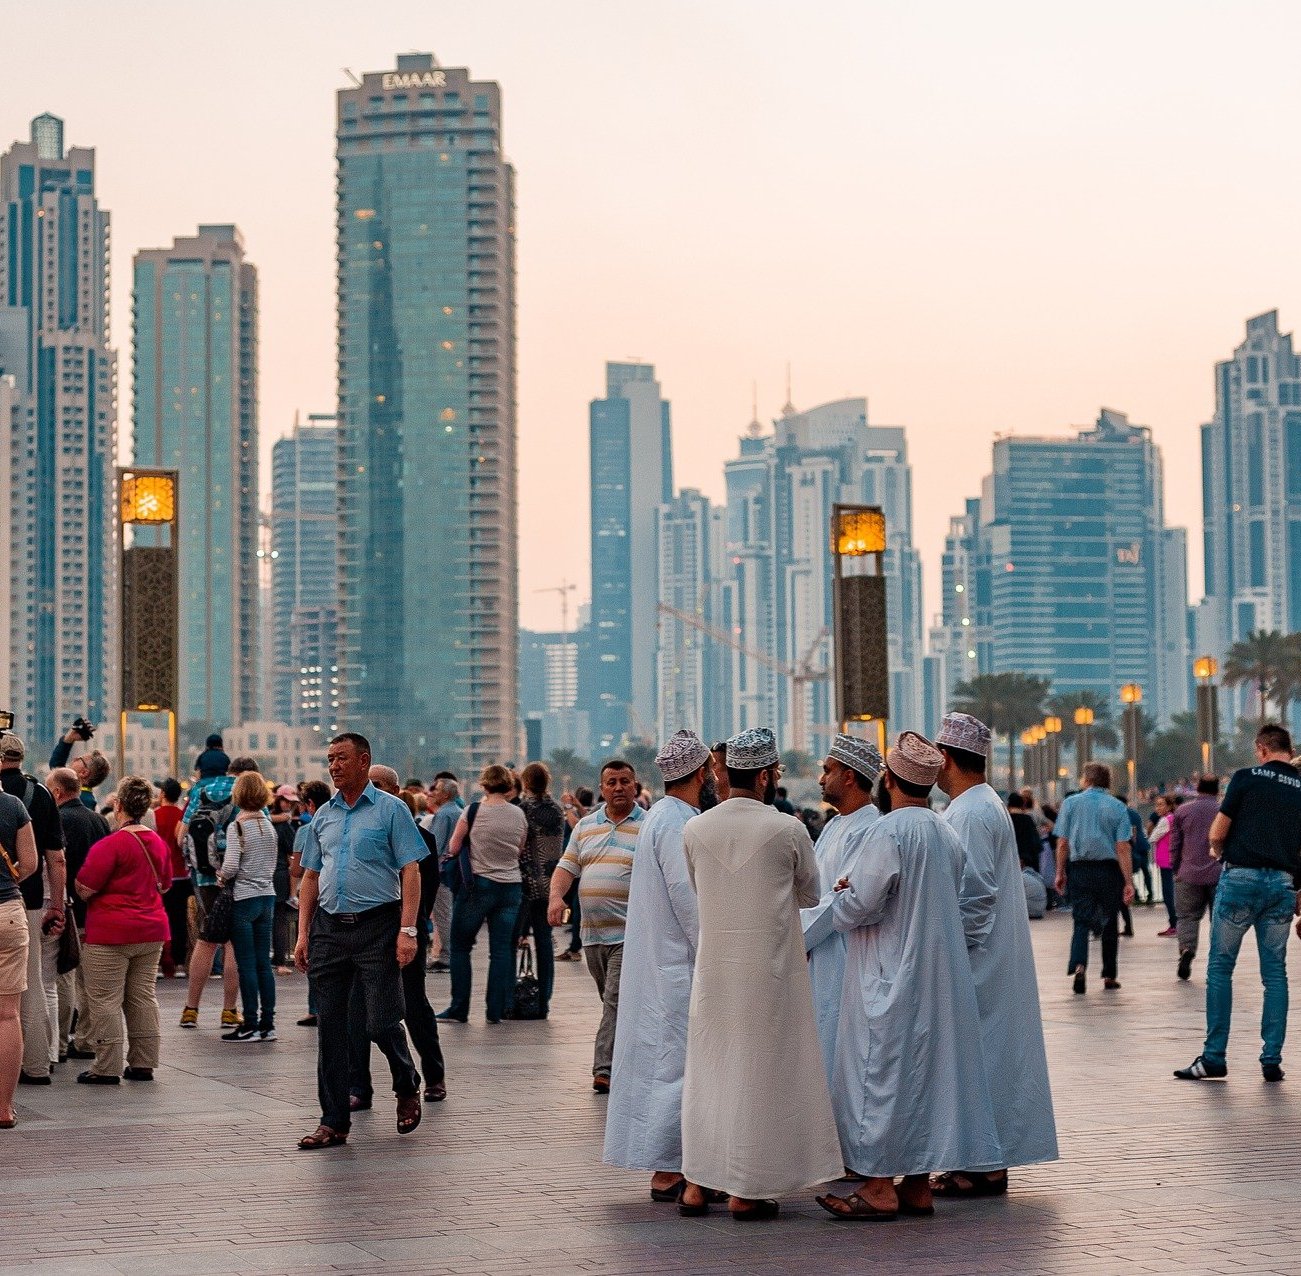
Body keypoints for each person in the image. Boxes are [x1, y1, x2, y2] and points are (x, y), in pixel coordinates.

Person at [816, 731, 1000, 1222]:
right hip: (936, 977)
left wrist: (844, 892)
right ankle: (917, 1185)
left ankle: (879, 1187)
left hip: (888, 974)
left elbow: (860, 906)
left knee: (880, 1076)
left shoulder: (889, 832)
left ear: (890, 781)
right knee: (926, 1078)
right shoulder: (946, 832)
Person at [680, 727, 841, 1221]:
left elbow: (698, 888)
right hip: (770, 971)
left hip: (714, 971)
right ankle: (746, 1191)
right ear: (768, 775)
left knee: (712, 1069)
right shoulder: (788, 828)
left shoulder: (694, 829)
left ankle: (696, 1183)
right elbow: (811, 894)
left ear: (725, 774)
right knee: (761, 1072)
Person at [932, 713, 1058, 1199]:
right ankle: (983, 1161)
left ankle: (983, 1164)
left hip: (978, 960)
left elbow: (976, 894)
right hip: (988, 957)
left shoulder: (971, 812)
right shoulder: (980, 805)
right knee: (988, 1060)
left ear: (945, 758)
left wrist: (951, 953)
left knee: (982, 1061)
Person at [294, 732, 427, 1149]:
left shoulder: (391, 810)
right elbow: (311, 876)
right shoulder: (324, 816)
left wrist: (408, 931)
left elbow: (411, 871)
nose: (333, 766)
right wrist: (303, 936)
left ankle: (406, 1081)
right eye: (329, 759)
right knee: (330, 1027)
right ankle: (333, 1121)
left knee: (381, 1019)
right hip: (331, 929)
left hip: (378, 925)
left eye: (341, 759)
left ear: (364, 761)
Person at [604, 731, 716, 1206]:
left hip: (663, 963)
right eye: (709, 770)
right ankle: (670, 1169)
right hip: (676, 965)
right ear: (698, 774)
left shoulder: (669, 817)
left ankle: (673, 1167)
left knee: (668, 1063)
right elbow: (688, 899)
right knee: (675, 1066)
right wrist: (714, 950)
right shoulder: (675, 824)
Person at [1176, 725, 1301, 1083]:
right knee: (1275, 973)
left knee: (1220, 968)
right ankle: (1271, 1058)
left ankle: (1214, 1057)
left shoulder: (1246, 778)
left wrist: (1219, 852)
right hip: (1281, 884)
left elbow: (1217, 832)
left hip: (1241, 880)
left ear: (1262, 748)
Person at [547, 760, 644, 1092]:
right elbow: (566, 868)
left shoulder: (649, 826)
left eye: (624, 782)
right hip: (592, 935)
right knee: (613, 1002)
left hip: (630, 934)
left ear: (636, 787)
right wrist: (556, 898)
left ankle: (604, 1069)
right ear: (602, 789)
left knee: (615, 1000)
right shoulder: (585, 827)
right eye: (611, 782)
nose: (618, 787)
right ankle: (637, 1055)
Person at [351, 769, 446, 1105]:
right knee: (357, 1007)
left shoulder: (423, 838)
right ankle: (358, 1087)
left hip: (405, 931)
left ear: (395, 790)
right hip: (365, 933)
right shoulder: (358, 831)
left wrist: (410, 927)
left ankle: (434, 1075)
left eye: (377, 786)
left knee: (413, 1003)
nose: (371, 792)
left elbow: (427, 890)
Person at [73, 777, 169, 1085]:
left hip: (110, 933)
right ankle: (144, 1062)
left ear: (118, 805)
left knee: (105, 1000)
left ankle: (107, 1066)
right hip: (151, 929)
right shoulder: (157, 841)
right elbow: (165, 884)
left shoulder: (110, 844)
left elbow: (85, 888)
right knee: (142, 996)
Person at [801, 734, 882, 1083]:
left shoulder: (869, 827)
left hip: (846, 956)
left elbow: (843, 901)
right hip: (819, 954)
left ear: (849, 776)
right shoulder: (834, 824)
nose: (821, 779)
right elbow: (818, 892)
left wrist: (793, 935)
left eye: (827, 770)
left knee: (841, 1049)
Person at [437, 765, 527, 1025]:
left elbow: (453, 847)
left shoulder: (474, 811)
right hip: (511, 887)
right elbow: (520, 849)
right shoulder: (518, 814)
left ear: (484, 784)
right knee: (501, 951)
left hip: (478, 886)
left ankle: (459, 1007)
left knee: (461, 947)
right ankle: (495, 1010)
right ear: (508, 784)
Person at [0, 734, 65, 1085]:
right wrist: (57, 904)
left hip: (9, 897)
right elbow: (55, 859)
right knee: (33, 985)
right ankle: (37, 1064)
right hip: (24, 901)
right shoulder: (39, 794)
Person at [178, 755, 261, 1029]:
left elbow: (182, 836)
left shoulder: (200, 790)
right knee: (234, 943)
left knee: (206, 940)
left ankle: (190, 1009)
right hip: (238, 876)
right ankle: (229, 1011)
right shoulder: (247, 792)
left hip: (204, 874)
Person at [1054, 763, 1134, 994]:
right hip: (1109, 871)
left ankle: (1079, 966)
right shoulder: (1118, 807)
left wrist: (1060, 872)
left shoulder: (1070, 804)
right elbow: (1123, 848)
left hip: (1080, 869)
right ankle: (1109, 974)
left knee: (1080, 920)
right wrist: (1128, 881)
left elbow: (1062, 843)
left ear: (1086, 780)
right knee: (1110, 920)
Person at [46, 768, 109, 1061]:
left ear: (58, 792)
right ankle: (86, 1039)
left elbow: (59, 863)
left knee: (64, 977)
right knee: (90, 981)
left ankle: (59, 1041)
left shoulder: (60, 820)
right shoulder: (98, 819)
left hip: (71, 907)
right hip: (96, 909)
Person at [219, 771, 279, 1042]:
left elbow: (231, 866)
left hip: (243, 899)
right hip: (267, 896)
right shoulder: (269, 826)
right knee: (263, 963)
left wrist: (221, 875)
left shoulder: (237, 826)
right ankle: (268, 1023)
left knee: (246, 965)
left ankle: (251, 1023)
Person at [0, 789, 38, 1127]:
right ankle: (4, 1108)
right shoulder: (13, 806)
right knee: (7, 1015)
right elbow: (30, 863)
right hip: (7, 912)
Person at [517, 762, 566, 1017]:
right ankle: (544, 998)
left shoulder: (523, 810)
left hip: (527, 883)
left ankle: (515, 997)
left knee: (516, 939)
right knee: (544, 943)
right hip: (552, 883)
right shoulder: (557, 810)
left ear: (526, 783)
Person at [1169, 778, 1222, 981]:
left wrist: (1176, 867)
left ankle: (1186, 949)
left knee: (1187, 917)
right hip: (1218, 872)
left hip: (1188, 872)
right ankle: (1217, 961)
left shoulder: (1182, 811)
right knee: (1218, 919)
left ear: (1197, 789)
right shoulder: (1223, 810)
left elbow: (1175, 844)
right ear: (1217, 790)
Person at [288, 780, 331, 1028]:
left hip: (314, 895)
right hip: (336, 896)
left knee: (314, 953)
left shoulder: (306, 830)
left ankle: (316, 1008)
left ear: (311, 804)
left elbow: (297, 869)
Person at [422, 775, 461, 971]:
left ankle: (445, 955)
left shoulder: (444, 814)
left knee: (442, 914)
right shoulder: (457, 811)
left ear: (445, 794)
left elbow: (435, 845)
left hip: (441, 871)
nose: (432, 793)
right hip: (454, 870)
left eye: (436, 790)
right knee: (447, 913)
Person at [153, 779, 189, 978]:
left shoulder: (154, 817)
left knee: (159, 919)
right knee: (179, 920)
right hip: (181, 875)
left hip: (160, 876)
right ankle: (180, 963)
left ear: (163, 794)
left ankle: (159, 963)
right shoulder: (182, 817)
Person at [48, 725, 111, 810]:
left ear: (84, 773)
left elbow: (57, 770)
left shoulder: (79, 800)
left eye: (79, 759)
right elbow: (56, 767)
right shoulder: (83, 796)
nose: (74, 759)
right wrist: (69, 739)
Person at [1150, 794, 1180, 936]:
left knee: (1168, 894)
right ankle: (1175, 922)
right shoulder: (1174, 819)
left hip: (1165, 860)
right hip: (1171, 860)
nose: (1158, 808)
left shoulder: (1165, 820)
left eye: (1161, 804)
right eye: (1157, 805)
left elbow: (1153, 837)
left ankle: (1174, 923)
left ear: (1169, 806)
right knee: (1171, 892)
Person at [1005, 793, 1042, 871]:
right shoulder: (1027, 820)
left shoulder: (1005, 820)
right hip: (1027, 863)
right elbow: (1036, 844)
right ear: (1023, 805)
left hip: (1009, 862)